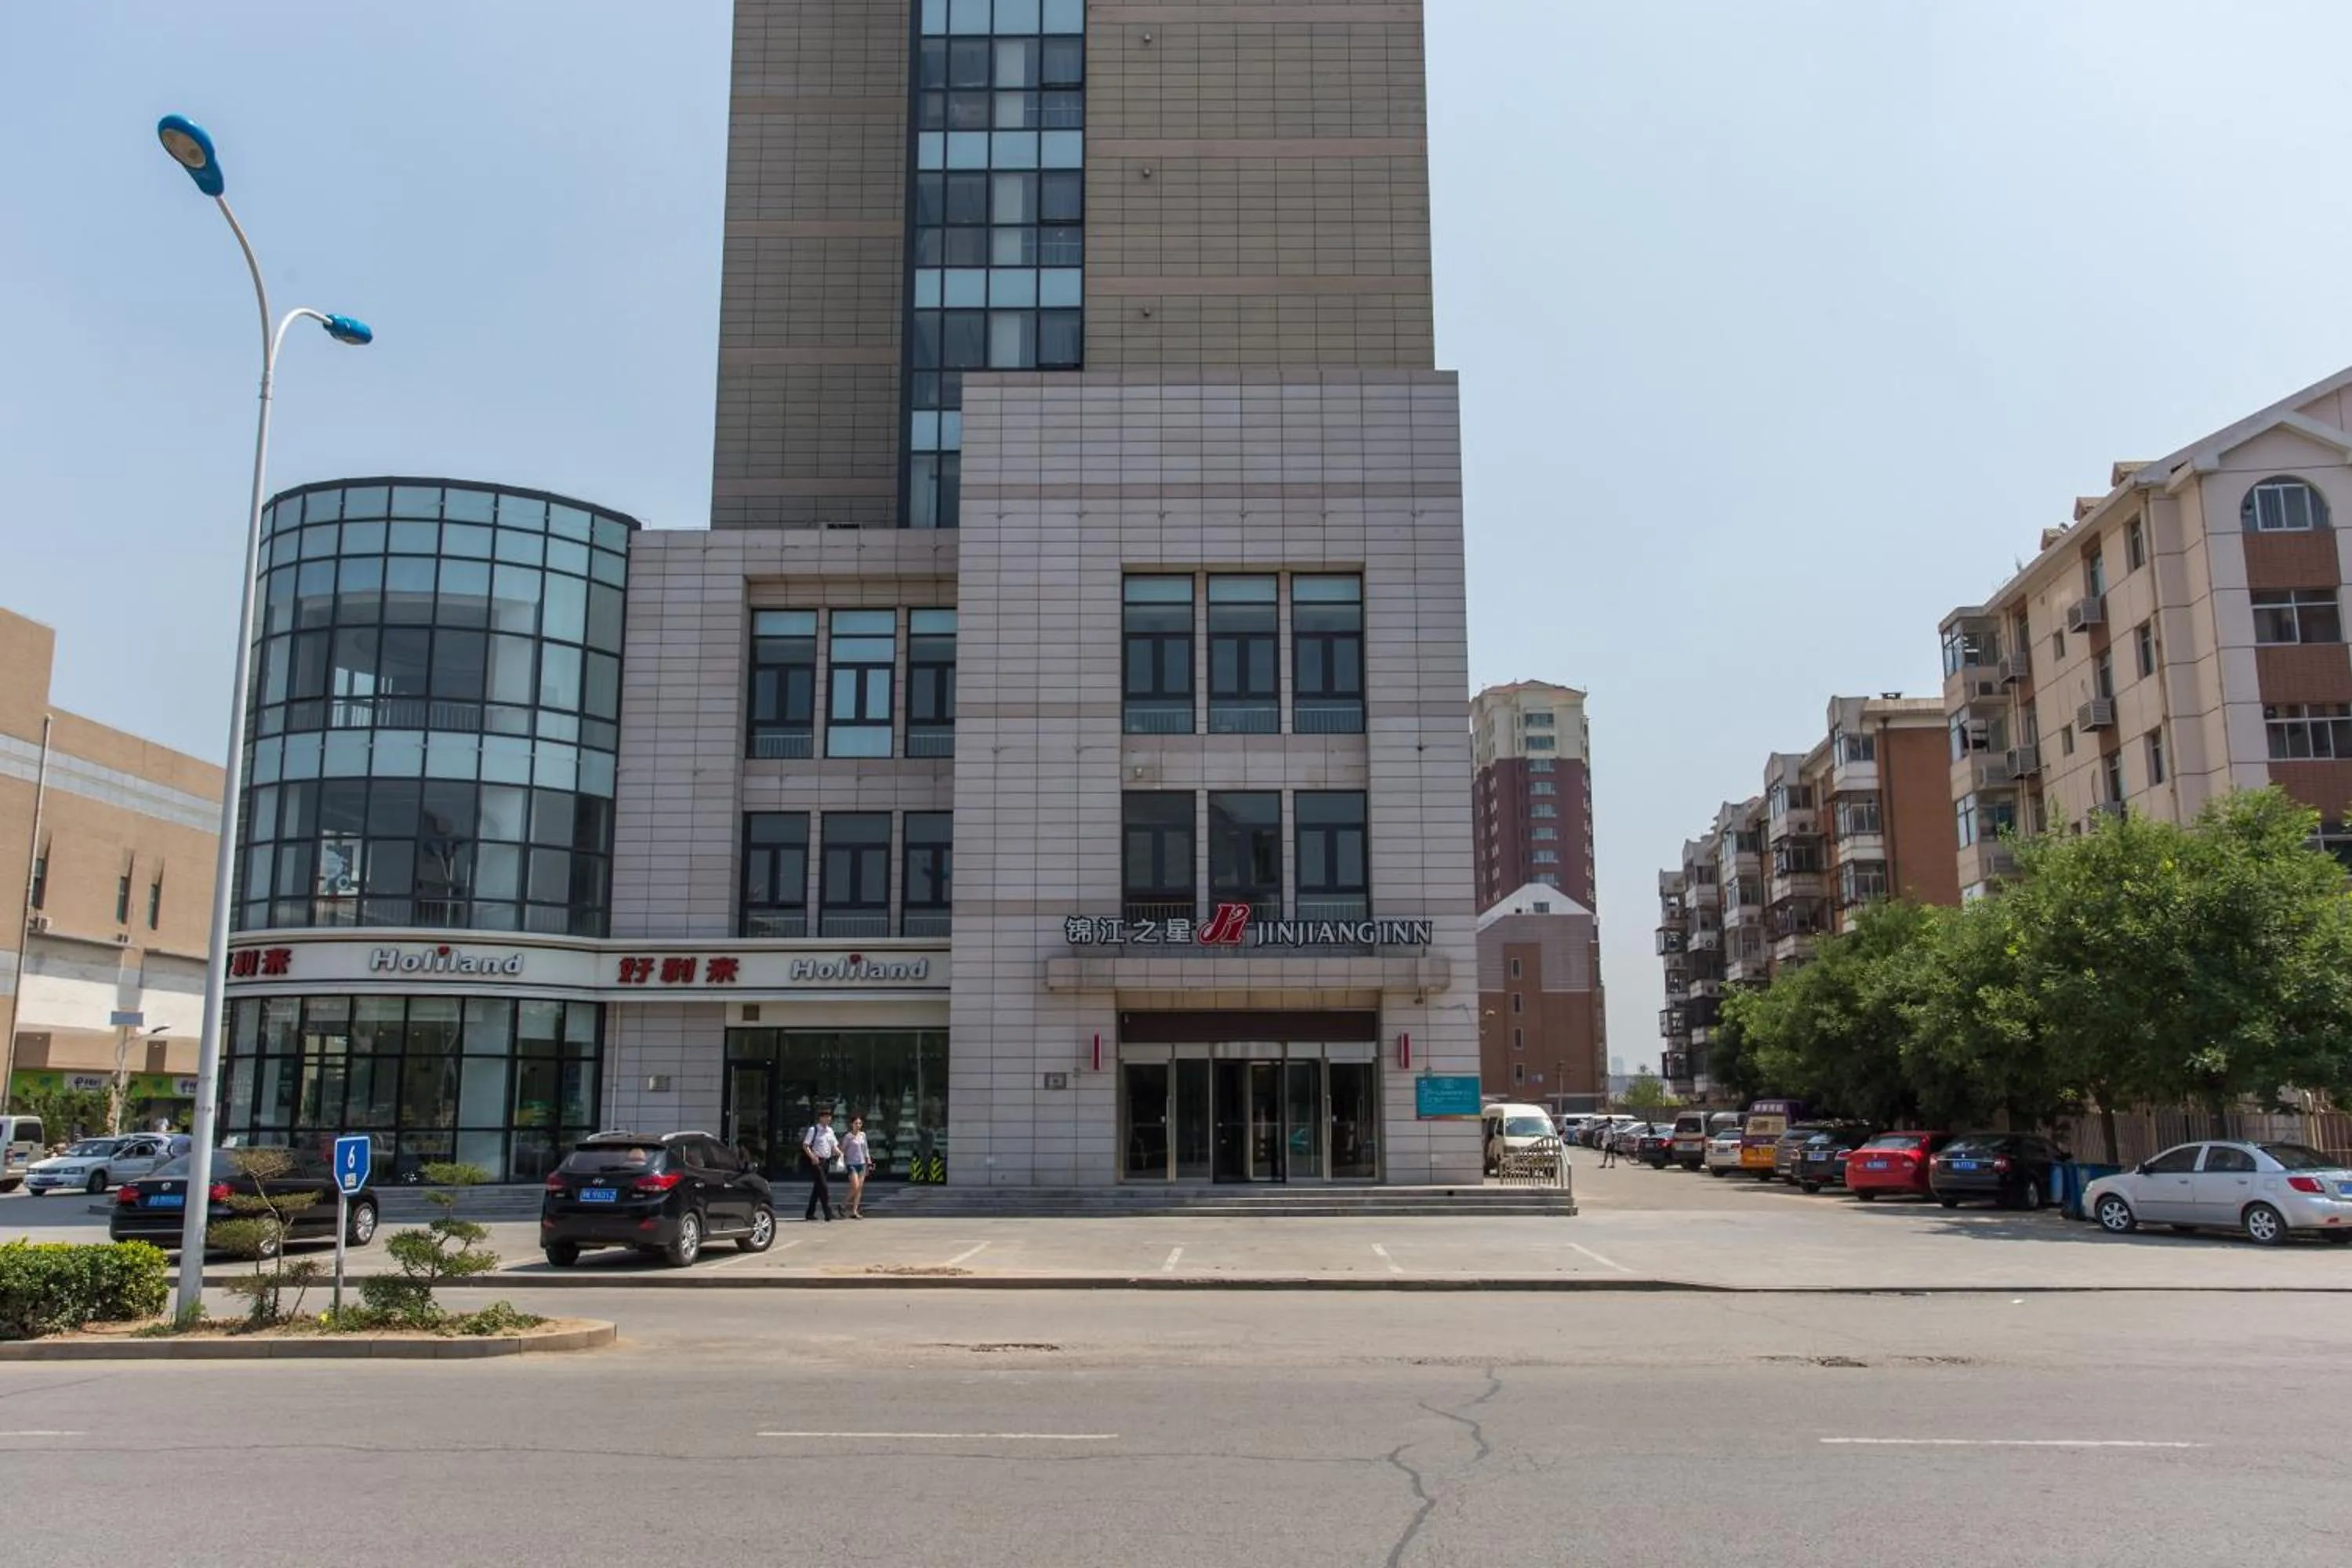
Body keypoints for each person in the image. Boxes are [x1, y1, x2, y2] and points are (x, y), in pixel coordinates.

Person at [800, 1109, 840, 1221]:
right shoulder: (814, 1130)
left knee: (818, 1188)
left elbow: (833, 1145)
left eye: (830, 1117)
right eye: (826, 1117)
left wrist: (838, 1152)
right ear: (821, 1118)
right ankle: (828, 1213)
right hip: (816, 1161)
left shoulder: (830, 1131)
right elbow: (805, 1145)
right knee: (823, 1187)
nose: (829, 1119)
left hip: (826, 1162)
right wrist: (812, 1156)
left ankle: (810, 1213)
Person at [842, 1116, 871, 1219]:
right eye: (856, 1123)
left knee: (859, 1189)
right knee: (855, 1186)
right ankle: (843, 1205)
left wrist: (869, 1160)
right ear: (852, 1124)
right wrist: (842, 1160)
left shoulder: (863, 1135)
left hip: (862, 1164)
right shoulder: (848, 1137)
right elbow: (843, 1150)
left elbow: (866, 1148)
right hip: (851, 1164)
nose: (858, 1126)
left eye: (860, 1123)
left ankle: (854, 1211)